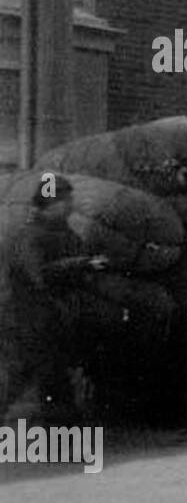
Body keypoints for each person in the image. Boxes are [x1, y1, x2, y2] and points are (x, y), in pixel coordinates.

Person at [0, 175, 108, 415]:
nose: (70, 204)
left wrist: (89, 267)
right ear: (49, 204)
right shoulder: (30, 236)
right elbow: (39, 275)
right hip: (27, 321)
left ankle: (63, 437)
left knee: (48, 379)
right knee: (33, 378)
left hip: (51, 319)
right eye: (64, 200)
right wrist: (80, 264)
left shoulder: (67, 234)